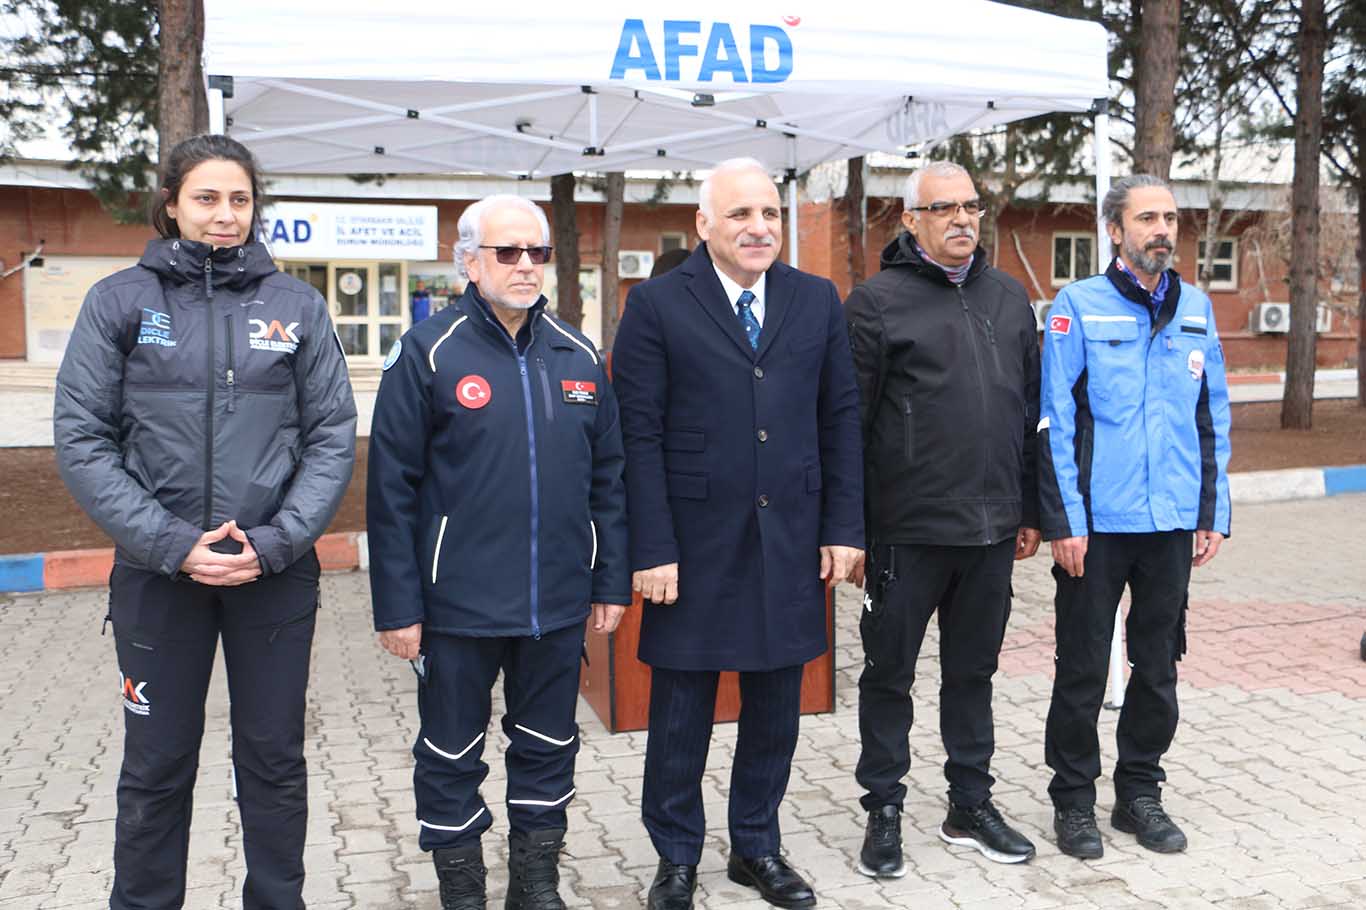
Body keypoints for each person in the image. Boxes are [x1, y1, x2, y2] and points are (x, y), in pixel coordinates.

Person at [53, 133, 357, 910]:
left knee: (274, 759)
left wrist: (279, 539)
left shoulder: (296, 306)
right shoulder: (119, 301)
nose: (225, 215)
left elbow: (330, 435)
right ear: (172, 203)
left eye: (240, 199)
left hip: (273, 575)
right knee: (155, 767)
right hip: (159, 577)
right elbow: (83, 439)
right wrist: (171, 543)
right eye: (208, 198)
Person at [612, 158, 864, 910]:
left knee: (775, 711)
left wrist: (843, 525)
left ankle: (756, 847)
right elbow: (639, 434)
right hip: (690, 549)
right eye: (741, 215)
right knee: (681, 714)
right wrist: (650, 546)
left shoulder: (816, 300)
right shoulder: (656, 305)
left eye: (769, 215)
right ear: (704, 225)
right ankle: (677, 857)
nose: (759, 228)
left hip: (790, 540)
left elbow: (840, 418)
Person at [366, 194, 630, 910]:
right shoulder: (428, 353)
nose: (523, 266)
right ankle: (462, 891)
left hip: (557, 602)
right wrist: (398, 607)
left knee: (548, 746)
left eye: (536, 252)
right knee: (450, 755)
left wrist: (609, 583)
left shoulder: (576, 356)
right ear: (468, 261)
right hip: (457, 605)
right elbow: (391, 491)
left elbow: (609, 483)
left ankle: (536, 885)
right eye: (506, 252)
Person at [844, 161, 1041, 875]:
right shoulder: (875, 304)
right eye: (944, 208)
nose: (962, 219)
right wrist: (853, 531)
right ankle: (884, 810)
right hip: (906, 532)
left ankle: (970, 805)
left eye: (971, 207)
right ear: (911, 220)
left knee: (973, 673)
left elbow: (1029, 414)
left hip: (991, 533)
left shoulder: (1010, 298)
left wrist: (1030, 508)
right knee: (889, 675)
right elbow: (848, 426)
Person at [1039, 174, 1231, 859]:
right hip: (1097, 528)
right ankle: (1074, 802)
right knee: (1084, 668)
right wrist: (1063, 519)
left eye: (1170, 218)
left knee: (1157, 668)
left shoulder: (1198, 310)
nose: (1162, 229)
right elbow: (1054, 421)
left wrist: (1212, 511)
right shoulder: (1078, 307)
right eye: (1147, 217)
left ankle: (1140, 794)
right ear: (1114, 231)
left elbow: (1213, 421)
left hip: (1171, 525)